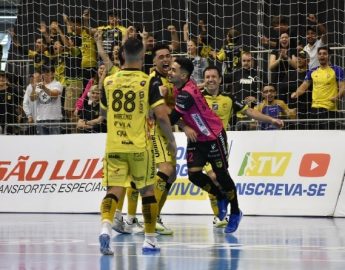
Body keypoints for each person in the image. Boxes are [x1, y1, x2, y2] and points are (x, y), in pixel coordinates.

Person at [168, 57, 281, 234]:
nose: (170, 71)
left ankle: (235, 211)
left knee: (220, 175)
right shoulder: (187, 87)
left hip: (214, 136)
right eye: (207, 76)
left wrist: (149, 114)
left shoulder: (188, 94)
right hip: (197, 139)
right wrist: (186, 125)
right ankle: (219, 196)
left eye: (173, 69)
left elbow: (170, 119)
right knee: (193, 175)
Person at [98, 38, 176, 255]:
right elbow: (161, 115)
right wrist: (171, 140)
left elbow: (103, 114)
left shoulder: (109, 81)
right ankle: (150, 240)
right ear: (143, 56)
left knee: (113, 191)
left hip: (114, 146)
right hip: (140, 146)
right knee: (148, 192)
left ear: (122, 55)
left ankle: (105, 228)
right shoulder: (147, 81)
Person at [201, 66, 284, 226]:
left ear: (219, 79)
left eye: (213, 76)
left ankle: (221, 215)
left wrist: (271, 120)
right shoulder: (197, 97)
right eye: (207, 77)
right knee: (211, 177)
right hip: (200, 145)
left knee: (217, 179)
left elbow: (250, 113)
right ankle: (220, 215)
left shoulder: (229, 98)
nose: (210, 79)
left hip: (219, 145)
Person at [291, 46, 345, 129]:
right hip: (314, 109)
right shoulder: (312, 71)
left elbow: (343, 87)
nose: (322, 56)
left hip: (330, 109)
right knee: (315, 137)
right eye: (319, 54)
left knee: (328, 137)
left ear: (329, 56)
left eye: (324, 54)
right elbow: (303, 86)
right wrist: (296, 93)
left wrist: (337, 97)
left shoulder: (337, 69)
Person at [224, 51, 261, 129]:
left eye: (248, 61)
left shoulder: (259, 74)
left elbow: (266, 91)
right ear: (241, 61)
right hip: (238, 109)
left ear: (253, 61)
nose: (246, 63)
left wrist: (256, 98)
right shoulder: (237, 73)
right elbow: (221, 79)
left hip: (254, 110)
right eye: (244, 61)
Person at [30, 65, 63, 135]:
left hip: (54, 119)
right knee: (42, 144)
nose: (45, 75)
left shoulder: (57, 84)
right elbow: (32, 98)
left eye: (48, 72)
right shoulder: (39, 85)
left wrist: (44, 88)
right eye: (44, 72)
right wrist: (33, 88)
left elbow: (54, 95)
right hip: (40, 119)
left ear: (53, 74)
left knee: (55, 143)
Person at [269, 32, 297, 102]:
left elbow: (296, 66)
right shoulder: (275, 51)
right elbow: (270, 67)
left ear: (289, 39)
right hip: (277, 80)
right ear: (279, 39)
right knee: (278, 101)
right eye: (282, 37)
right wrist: (280, 58)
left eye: (286, 37)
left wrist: (286, 57)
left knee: (289, 100)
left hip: (290, 80)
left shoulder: (293, 50)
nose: (284, 39)